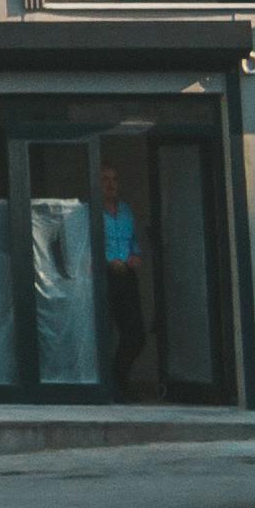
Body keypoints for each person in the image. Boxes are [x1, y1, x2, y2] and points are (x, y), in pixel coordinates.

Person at [99, 160, 154, 400]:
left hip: (127, 278)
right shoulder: (91, 212)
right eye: (105, 180)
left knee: (136, 334)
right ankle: (107, 388)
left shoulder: (125, 211)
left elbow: (133, 241)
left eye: (114, 180)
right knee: (104, 333)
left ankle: (117, 379)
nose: (111, 185)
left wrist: (135, 256)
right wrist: (109, 260)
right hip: (104, 278)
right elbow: (85, 244)